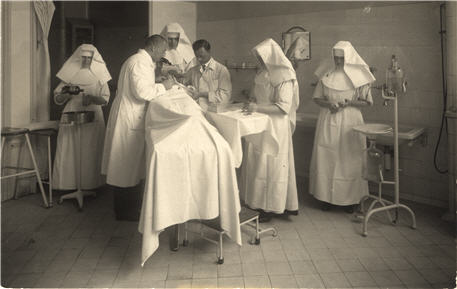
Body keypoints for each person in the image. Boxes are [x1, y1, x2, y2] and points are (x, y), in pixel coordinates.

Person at [101, 34, 174, 221]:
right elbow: (142, 92)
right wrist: (164, 87)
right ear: (155, 48)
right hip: (130, 118)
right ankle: (125, 212)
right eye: (163, 50)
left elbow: (141, 85)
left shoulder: (137, 60)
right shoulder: (140, 62)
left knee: (127, 165)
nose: (164, 53)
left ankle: (127, 208)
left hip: (129, 114)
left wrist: (157, 81)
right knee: (126, 164)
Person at [309, 40, 375, 213]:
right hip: (328, 118)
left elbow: (367, 102)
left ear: (349, 57)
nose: (338, 62)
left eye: (341, 58)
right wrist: (328, 104)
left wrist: (349, 103)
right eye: (336, 58)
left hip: (350, 122)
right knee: (327, 158)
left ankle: (351, 200)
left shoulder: (360, 77)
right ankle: (326, 198)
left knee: (348, 159)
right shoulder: (326, 74)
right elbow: (316, 98)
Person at [241, 38, 300, 222]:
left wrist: (257, 108)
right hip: (260, 123)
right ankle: (257, 203)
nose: (259, 60)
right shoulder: (262, 73)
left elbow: (283, 107)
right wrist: (251, 100)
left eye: (261, 57)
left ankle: (272, 206)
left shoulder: (284, 75)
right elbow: (257, 95)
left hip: (276, 126)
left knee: (272, 166)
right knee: (258, 164)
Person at [52, 44, 111, 192]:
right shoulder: (70, 74)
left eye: (89, 57)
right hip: (72, 111)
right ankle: (70, 185)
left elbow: (105, 99)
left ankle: (91, 185)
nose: (86, 60)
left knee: (91, 149)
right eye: (83, 57)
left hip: (93, 115)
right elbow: (57, 98)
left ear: (94, 59)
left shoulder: (100, 76)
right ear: (78, 57)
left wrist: (92, 98)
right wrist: (65, 95)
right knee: (70, 148)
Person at [185, 39, 232, 110]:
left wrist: (202, 94)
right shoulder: (193, 70)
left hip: (214, 110)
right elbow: (183, 82)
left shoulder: (221, 70)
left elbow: (225, 96)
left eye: (201, 56)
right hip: (196, 110)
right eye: (197, 57)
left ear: (209, 51)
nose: (199, 59)